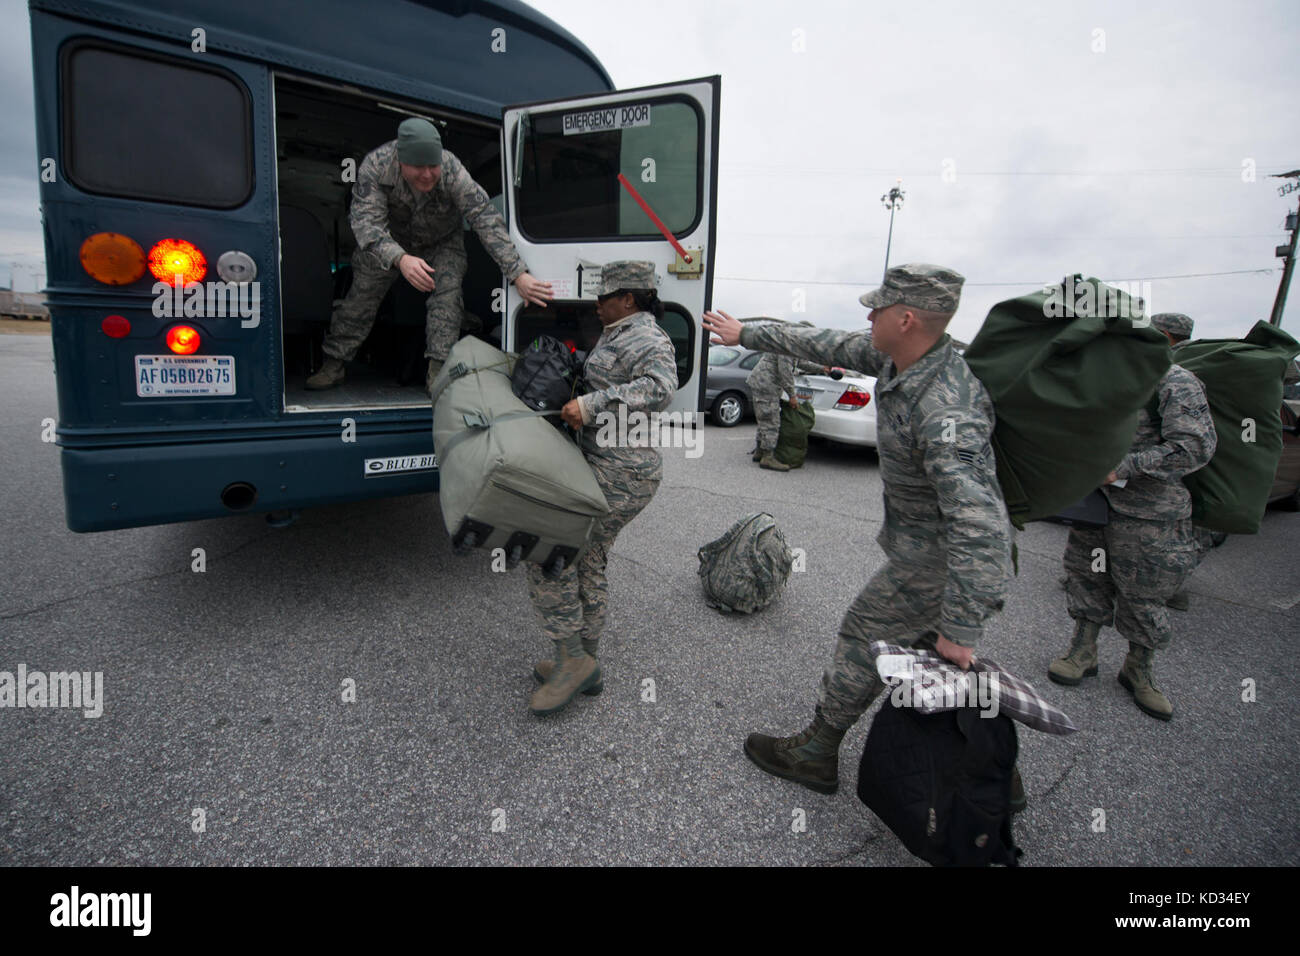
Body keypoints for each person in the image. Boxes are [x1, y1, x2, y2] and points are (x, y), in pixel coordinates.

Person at [703, 264, 1020, 806]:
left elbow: (981, 522)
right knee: (933, 663)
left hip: (936, 562)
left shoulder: (948, 406)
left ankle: (817, 753)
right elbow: (824, 339)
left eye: (878, 307)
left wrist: (963, 624)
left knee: (862, 638)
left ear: (908, 318)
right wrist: (746, 334)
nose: (868, 315)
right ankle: (990, 774)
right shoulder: (895, 356)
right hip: (922, 552)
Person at [527, 261, 678, 716]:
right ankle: (583, 661)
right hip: (606, 464)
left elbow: (661, 387)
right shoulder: (617, 333)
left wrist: (591, 405)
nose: (596, 302)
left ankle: (573, 659)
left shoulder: (647, 336)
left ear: (629, 298)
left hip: (623, 471)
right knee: (587, 558)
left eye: (604, 296)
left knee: (548, 552)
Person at [306, 117, 554, 394]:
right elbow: (367, 225)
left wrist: (517, 273)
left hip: (442, 242)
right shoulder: (376, 166)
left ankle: (438, 372)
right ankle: (334, 363)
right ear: (401, 161)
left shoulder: (451, 170)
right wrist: (400, 258)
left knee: (447, 297)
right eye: (418, 167)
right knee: (361, 296)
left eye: (432, 166)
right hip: (389, 241)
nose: (427, 175)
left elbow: (484, 218)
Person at [1049, 311, 1216, 720]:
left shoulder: (1176, 382)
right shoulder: (1108, 379)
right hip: (1095, 505)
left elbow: (1194, 447)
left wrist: (1123, 467)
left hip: (1149, 512)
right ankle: (1082, 653)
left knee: (1143, 594)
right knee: (1087, 578)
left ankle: (1138, 670)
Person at [747, 350, 800, 471]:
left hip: (762, 382)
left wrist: (822, 368)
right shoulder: (787, 346)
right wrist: (792, 395)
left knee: (764, 418)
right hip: (767, 384)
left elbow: (800, 362)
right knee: (771, 421)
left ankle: (760, 451)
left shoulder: (787, 343)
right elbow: (785, 371)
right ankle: (768, 458)